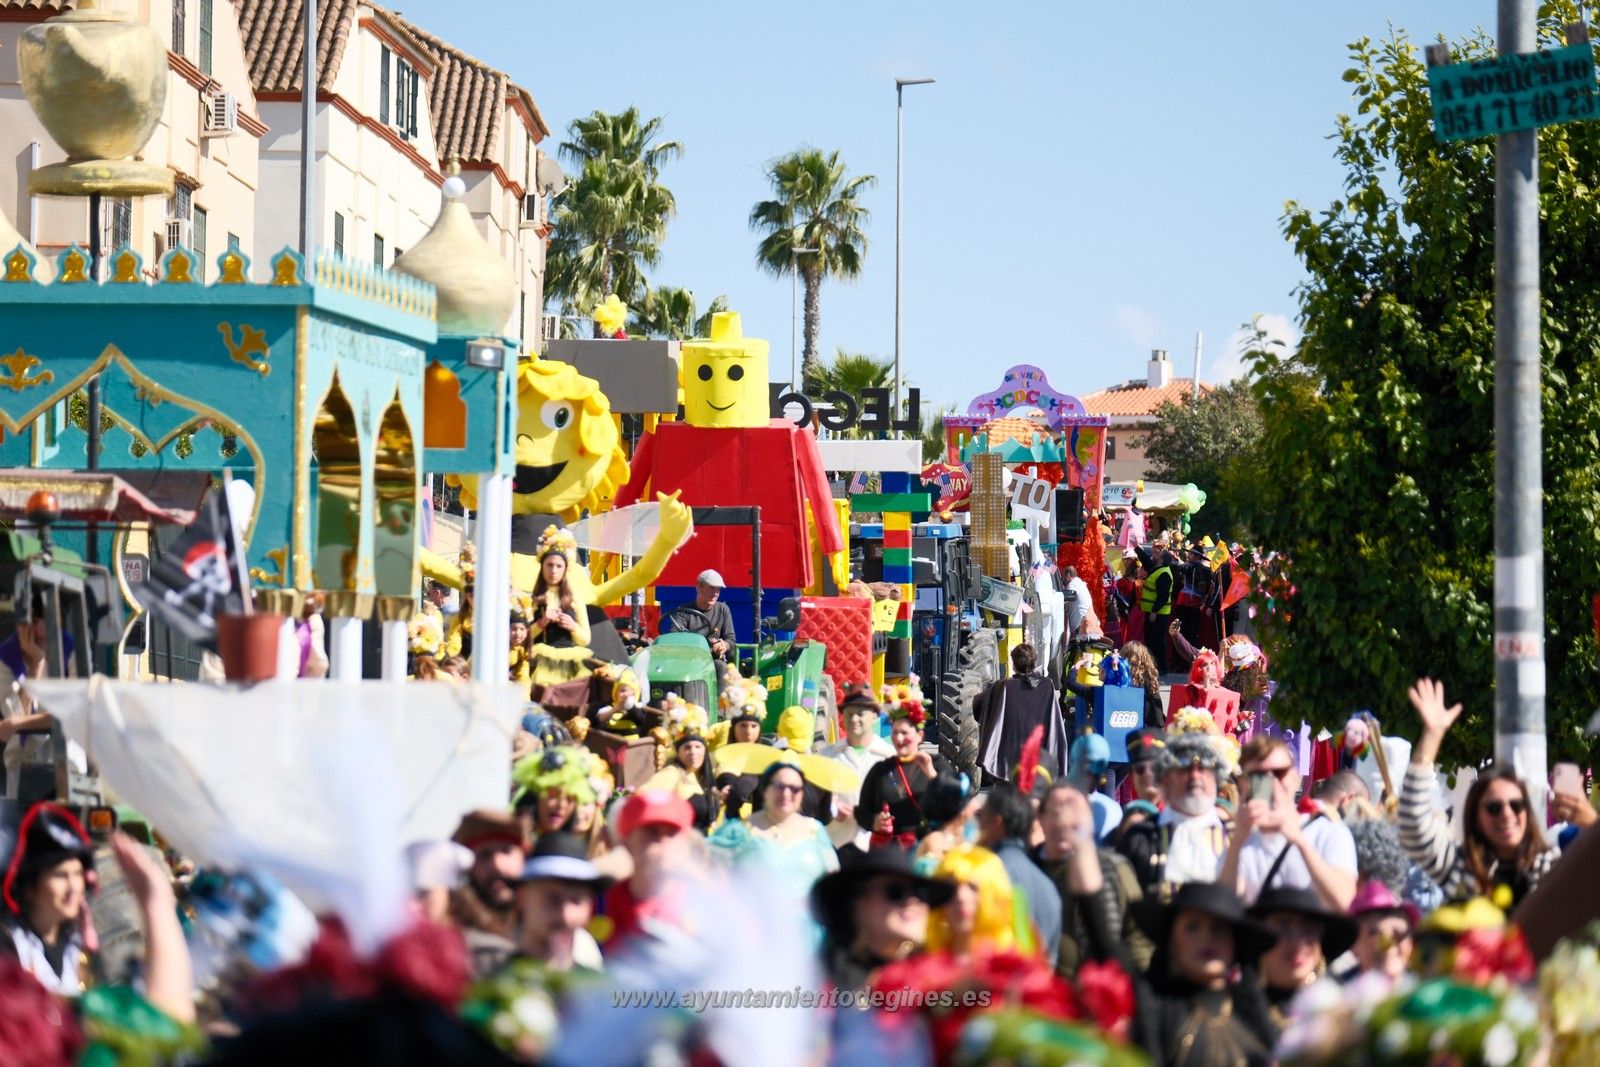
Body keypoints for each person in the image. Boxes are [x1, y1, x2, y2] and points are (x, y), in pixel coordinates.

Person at [1399, 678, 1558, 907]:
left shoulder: (1548, 864)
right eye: (1494, 808)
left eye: (1516, 805)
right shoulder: (1461, 867)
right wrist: (1432, 735)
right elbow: (1413, 824)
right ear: (1476, 817)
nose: (1507, 814)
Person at [1128, 881, 1281, 1067]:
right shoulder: (1155, 1008)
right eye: (1193, 926)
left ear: (1235, 944)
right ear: (1171, 943)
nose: (1206, 937)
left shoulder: (1252, 1016)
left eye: (1218, 928)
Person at [1219, 736, 1358, 910]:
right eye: (1259, 776)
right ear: (1244, 785)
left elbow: (1345, 903)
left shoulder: (1329, 832)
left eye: (1279, 773)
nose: (1272, 783)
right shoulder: (1242, 840)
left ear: (1294, 778)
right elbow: (1224, 905)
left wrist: (1300, 842)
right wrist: (1238, 840)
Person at [1034, 783, 1151, 975]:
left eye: (1074, 813)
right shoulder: (1030, 866)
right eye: (1056, 813)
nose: (1064, 821)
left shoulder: (1113, 868)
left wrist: (1133, 986)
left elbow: (1137, 935)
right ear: (1041, 817)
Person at [809, 847, 955, 991]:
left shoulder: (933, 979)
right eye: (895, 892)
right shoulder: (820, 980)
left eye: (921, 892)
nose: (912, 901)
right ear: (857, 903)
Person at [1117, 732, 1229, 895]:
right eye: (1183, 766)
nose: (1195, 775)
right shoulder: (1140, 837)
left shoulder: (1234, 836)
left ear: (1217, 778)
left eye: (1204, 766)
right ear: (1165, 780)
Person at [713, 761, 838, 902]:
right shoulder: (738, 830)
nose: (786, 793)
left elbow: (833, 881)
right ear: (765, 790)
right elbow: (705, 872)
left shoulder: (815, 830)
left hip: (808, 920)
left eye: (794, 788)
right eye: (779, 786)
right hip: (755, 920)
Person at [976, 783, 1061, 966]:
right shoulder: (1047, 882)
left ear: (996, 823)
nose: (977, 823)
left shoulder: (989, 874)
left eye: (980, 815)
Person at [1248, 887, 1356, 1028]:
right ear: (1259, 938)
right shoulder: (1235, 1007)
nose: (1298, 942)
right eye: (1283, 928)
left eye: (1309, 929)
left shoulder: (1343, 1006)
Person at [603, 790, 696, 946]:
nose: (663, 843)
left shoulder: (703, 907)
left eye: (672, 833)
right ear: (625, 842)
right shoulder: (598, 905)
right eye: (652, 832)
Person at [857, 694, 950, 845]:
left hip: (927, 847)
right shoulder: (881, 769)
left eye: (904, 733)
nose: (899, 739)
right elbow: (862, 812)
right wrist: (875, 822)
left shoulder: (937, 764)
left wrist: (931, 774)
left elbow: (957, 802)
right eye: (895, 733)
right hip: (888, 850)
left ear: (920, 735)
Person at [448, 809, 526, 978]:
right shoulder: (453, 933)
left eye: (506, 851)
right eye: (485, 855)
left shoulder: (544, 926)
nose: (497, 865)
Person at [514, 832, 608, 973]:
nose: (566, 916)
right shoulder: (495, 987)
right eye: (552, 899)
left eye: (577, 901)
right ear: (522, 899)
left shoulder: (597, 989)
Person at [818, 685, 896, 853]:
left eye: (860, 714)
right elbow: (814, 796)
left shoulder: (888, 756)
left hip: (875, 847)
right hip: (836, 845)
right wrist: (832, 806)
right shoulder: (827, 756)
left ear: (874, 716)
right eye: (849, 714)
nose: (854, 719)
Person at [976, 643, 1068, 786]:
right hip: (1039, 758)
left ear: (1014, 664)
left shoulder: (1004, 686)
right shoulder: (1047, 685)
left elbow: (979, 707)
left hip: (1009, 761)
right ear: (1034, 661)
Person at [924, 843, 1032, 957]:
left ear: (994, 895)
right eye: (952, 888)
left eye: (973, 887)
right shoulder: (923, 964)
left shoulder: (1012, 967)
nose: (961, 896)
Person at [526, 528, 592, 690]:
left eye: (558, 566)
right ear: (542, 567)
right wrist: (542, 623)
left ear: (565, 568)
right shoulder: (531, 600)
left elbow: (585, 639)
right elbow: (521, 636)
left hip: (571, 663)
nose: (553, 571)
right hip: (539, 662)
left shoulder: (576, 598)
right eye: (549, 565)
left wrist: (572, 626)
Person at [1342, 880, 1418, 986]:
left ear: (1411, 943)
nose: (1388, 945)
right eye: (1375, 933)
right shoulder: (1332, 997)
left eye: (1398, 934)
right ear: (1353, 944)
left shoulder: (1430, 995)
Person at [641, 696, 714, 801]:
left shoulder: (705, 774)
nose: (693, 752)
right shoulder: (672, 773)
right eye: (687, 747)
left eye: (698, 747)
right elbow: (641, 796)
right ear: (677, 751)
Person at [665, 570, 738, 662]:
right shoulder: (683, 612)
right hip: (688, 660)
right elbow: (674, 637)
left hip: (713, 660)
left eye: (718, 589)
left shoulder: (723, 609)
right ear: (699, 587)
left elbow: (730, 639)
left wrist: (723, 646)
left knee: (721, 666)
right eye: (712, 588)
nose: (715, 593)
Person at [1138, 551, 1177, 674]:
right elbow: (1146, 561)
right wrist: (1137, 547)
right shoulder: (1158, 569)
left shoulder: (1164, 573)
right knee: (1150, 639)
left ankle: (1162, 668)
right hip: (1152, 611)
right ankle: (1152, 666)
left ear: (1161, 560)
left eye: (1158, 556)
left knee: (1158, 641)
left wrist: (1154, 611)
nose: (1155, 556)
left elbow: (1163, 596)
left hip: (1159, 613)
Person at [1121, 640, 1166, 732]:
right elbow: (1156, 712)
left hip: (1121, 721)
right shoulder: (1149, 680)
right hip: (1143, 728)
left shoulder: (1119, 678)